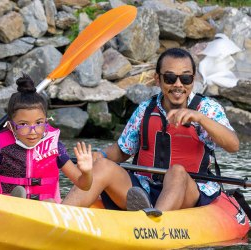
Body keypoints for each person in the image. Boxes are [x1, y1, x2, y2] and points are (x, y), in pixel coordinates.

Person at [62, 47, 239, 213]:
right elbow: (122, 151)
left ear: (193, 79)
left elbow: (233, 145)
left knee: (176, 171)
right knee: (103, 166)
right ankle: (61, 214)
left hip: (188, 191)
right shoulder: (145, 109)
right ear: (157, 79)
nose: (178, 85)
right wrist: (101, 156)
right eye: (170, 78)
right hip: (143, 188)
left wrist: (200, 118)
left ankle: (153, 224)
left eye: (185, 78)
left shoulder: (207, 109)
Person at [0, 74, 93, 202]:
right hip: (10, 210)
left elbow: (84, 185)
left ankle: (37, 205)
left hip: (47, 209)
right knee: (16, 202)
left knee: (49, 202)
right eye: (23, 124)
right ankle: (18, 202)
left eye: (38, 123)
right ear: (11, 126)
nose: (33, 131)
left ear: (46, 122)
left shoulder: (55, 148)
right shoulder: (0, 148)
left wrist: (87, 172)